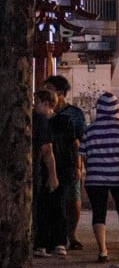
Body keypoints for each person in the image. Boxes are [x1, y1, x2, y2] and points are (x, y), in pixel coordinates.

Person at [79, 91, 119, 262]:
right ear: (116, 109)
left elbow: (82, 155)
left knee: (99, 213)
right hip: (117, 177)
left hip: (95, 178)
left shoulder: (89, 130)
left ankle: (103, 250)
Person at [42, 75, 87, 250]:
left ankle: (71, 234)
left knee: (73, 199)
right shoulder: (41, 112)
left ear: (60, 93)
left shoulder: (74, 114)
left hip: (69, 163)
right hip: (48, 164)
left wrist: (79, 164)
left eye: (49, 89)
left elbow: (80, 141)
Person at [32, 90, 65, 258]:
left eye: (36, 101)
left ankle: (46, 242)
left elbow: (47, 150)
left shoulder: (40, 120)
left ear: (45, 103)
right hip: (39, 171)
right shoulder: (40, 120)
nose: (33, 104)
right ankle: (44, 242)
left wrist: (53, 175)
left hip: (40, 171)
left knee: (45, 207)